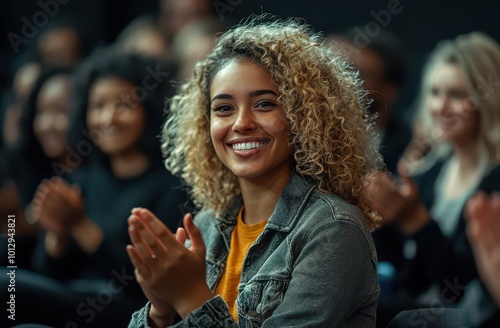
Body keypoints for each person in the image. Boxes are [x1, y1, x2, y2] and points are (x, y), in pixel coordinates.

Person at [127, 15, 381, 327]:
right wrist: (161, 310)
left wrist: (189, 295)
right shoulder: (209, 223)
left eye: (264, 104)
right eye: (224, 108)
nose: (241, 123)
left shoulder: (334, 229)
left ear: (303, 115)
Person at [0, 49, 190, 328]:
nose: (108, 118)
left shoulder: (171, 185)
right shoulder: (83, 178)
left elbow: (144, 283)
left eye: (123, 105)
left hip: (133, 311)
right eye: (98, 106)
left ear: (148, 108)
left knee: (6, 286)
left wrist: (80, 225)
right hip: (72, 295)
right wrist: (57, 235)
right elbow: (47, 271)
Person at [366, 32, 500, 326]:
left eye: (457, 94)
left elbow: (465, 288)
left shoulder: (494, 181)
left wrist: (415, 221)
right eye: (435, 92)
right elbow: (407, 272)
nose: (440, 107)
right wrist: (387, 218)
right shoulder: (431, 172)